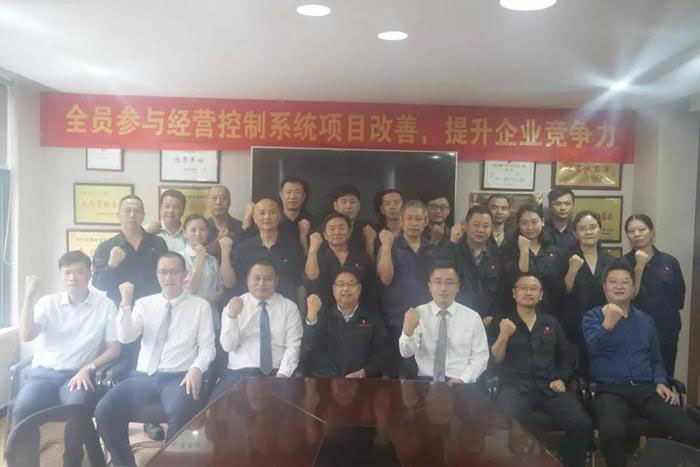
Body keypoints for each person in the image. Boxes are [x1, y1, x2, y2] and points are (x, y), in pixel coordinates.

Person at [95, 252, 215, 467]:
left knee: (182, 412)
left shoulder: (200, 306)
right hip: (143, 377)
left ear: (185, 275)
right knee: (104, 409)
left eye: (174, 272)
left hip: (179, 378)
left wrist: (196, 369)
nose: (168, 277)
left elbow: (208, 347)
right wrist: (125, 304)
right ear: (157, 274)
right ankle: (124, 464)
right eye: (163, 272)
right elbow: (126, 337)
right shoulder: (144, 303)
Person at [582, 260, 700, 467]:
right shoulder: (592, 316)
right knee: (612, 432)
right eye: (613, 282)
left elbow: (655, 359)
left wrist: (661, 381)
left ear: (633, 287)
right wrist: (607, 324)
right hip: (610, 390)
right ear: (604, 287)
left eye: (625, 282)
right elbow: (592, 349)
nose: (619, 286)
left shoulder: (646, 320)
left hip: (646, 389)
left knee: (688, 430)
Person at [14, 251, 121, 467]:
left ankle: (71, 462)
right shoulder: (48, 303)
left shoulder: (105, 305)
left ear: (89, 274)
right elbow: (26, 335)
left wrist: (88, 368)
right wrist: (28, 297)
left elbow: (114, 349)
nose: (73, 278)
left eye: (79, 272)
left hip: (77, 376)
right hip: (42, 375)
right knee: (23, 408)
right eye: (67, 273)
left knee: (78, 408)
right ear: (62, 276)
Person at [491, 272, 592, 467]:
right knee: (505, 422)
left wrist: (562, 379)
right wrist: (504, 335)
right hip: (515, 387)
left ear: (541, 295)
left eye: (533, 289)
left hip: (549, 386)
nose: (528, 292)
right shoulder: (503, 322)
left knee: (582, 423)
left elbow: (567, 356)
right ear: (514, 293)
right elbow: (495, 360)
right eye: (523, 288)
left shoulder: (551, 323)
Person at [209, 259, 303, 401]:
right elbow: (228, 347)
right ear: (248, 280)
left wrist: (282, 375)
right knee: (218, 409)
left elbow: (293, 346)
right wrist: (232, 317)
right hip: (240, 373)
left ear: (276, 281)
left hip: (277, 371)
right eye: (256, 278)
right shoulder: (233, 305)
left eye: (268, 279)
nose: (261, 283)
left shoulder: (289, 307)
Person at [399, 262, 489, 383]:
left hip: (460, 382)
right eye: (437, 282)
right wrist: (407, 332)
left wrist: (462, 379)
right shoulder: (418, 314)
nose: (443, 288)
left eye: (449, 283)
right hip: (425, 382)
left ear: (457, 287)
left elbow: (481, 357)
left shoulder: (472, 317)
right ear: (429, 286)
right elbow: (406, 353)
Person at [377, 200, 437, 377]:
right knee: (397, 374)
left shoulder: (432, 249)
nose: (413, 223)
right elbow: (385, 278)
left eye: (418, 219)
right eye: (409, 219)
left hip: (426, 320)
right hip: (396, 319)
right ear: (402, 221)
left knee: (422, 373)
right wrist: (386, 247)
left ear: (425, 222)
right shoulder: (390, 246)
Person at [623, 214, 686, 377]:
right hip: (634, 332)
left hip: (665, 332)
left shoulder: (669, 262)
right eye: (631, 231)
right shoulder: (622, 263)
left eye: (642, 229)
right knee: (638, 379)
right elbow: (626, 297)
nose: (637, 234)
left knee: (665, 377)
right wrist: (639, 267)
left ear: (652, 232)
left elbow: (679, 298)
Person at [304, 268, 388, 378]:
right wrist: (311, 317)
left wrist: (364, 372)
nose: (346, 289)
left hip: (362, 382)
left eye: (351, 284)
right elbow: (310, 347)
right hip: (326, 381)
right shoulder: (323, 315)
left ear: (359, 289)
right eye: (340, 284)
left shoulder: (373, 317)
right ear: (333, 289)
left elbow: (382, 353)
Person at [92, 195, 168, 305]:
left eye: (137, 211)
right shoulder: (106, 247)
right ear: (118, 215)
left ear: (143, 216)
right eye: (127, 211)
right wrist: (111, 265)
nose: (132, 215)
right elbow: (100, 285)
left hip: (152, 307)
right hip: (119, 307)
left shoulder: (158, 243)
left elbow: (167, 276)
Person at [441, 205, 505, 329]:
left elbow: (502, 291)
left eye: (485, 226)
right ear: (466, 226)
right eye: (476, 225)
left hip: (488, 322)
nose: (480, 230)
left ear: (491, 228)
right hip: (456, 321)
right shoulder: (452, 252)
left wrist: (493, 317)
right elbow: (442, 285)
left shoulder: (497, 255)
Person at [562, 210, 614, 356]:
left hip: (603, 322)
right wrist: (572, 270)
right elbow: (562, 291)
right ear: (575, 233)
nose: (588, 232)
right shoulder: (565, 257)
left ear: (600, 229)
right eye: (583, 228)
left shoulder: (611, 260)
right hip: (574, 325)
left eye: (592, 227)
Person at [232, 198, 305, 303]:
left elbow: (299, 282)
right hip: (252, 307)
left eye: (272, 212)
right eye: (262, 213)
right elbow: (237, 281)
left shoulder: (293, 246)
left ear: (279, 217)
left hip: (285, 308)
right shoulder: (244, 248)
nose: (267, 217)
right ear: (255, 218)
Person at [502, 203, 566, 319]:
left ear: (542, 222)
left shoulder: (554, 250)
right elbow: (518, 278)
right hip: (518, 312)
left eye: (534, 222)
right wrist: (524, 251)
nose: (530, 227)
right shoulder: (509, 250)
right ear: (518, 224)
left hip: (552, 311)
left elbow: (561, 285)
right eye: (524, 223)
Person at [305, 212, 376, 308]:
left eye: (341, 228)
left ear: (349, 232)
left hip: (358, 310)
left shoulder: (361, 256)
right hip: (325, 309)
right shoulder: (318, 255)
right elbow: (311, 277)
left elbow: (370, 286)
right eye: (332, 229)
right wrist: (312, 250)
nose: (337, 232)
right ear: (325, 235)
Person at [180, 213, 235, 327]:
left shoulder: (212, 260)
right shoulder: (179, 258)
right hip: (187, 318)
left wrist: (207, 298)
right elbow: (191, 290)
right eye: (193, 230)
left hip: (211, 317)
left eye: (202, 230)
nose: (198, 234)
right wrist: (199, 260)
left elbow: (222, 290)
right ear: (185, 233)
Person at [330, 184, 376, 259]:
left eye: (352, 202)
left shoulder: (367, 229)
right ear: (335, 206)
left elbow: (371, 263)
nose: (348, 206)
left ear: (359, 206)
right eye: (344, 202)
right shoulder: (325, 229)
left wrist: (369, 243)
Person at [204, 185, 243, 260]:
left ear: (229, 202)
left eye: (223, 198)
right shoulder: (202, 227)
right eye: (214, 198)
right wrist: (217, 241)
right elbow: (196, 255)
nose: (218, 202)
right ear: (207, 202)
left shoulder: (241, 227)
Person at [544, 188, 577, 255]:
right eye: (558, 204)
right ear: (550, 206)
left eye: (567, 204)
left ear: (573, 206)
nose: (563, 208)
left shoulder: (577, 230)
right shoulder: (542, 230)